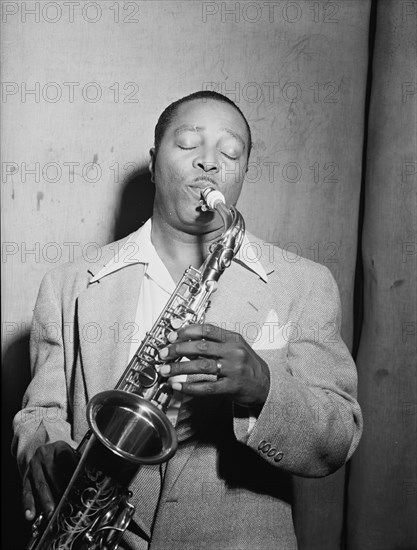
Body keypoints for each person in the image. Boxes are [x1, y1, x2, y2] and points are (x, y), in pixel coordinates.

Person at [13, 90, 363, 549]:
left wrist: (263, 386)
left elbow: (338, 436)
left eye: (230, 151)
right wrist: (43, 447)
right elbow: (41, 411)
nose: (209, 162)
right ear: (155, 161)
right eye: (188, 144)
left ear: (242, 174)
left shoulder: (305, 283)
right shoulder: (68, 284)